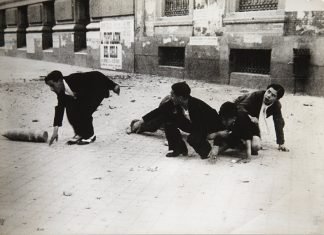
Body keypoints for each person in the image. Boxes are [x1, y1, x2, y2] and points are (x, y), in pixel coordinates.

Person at [133, 82, 223, 159]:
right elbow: (158, 111)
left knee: (193, 139)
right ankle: (178, 149)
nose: (171, 97)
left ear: (180, 98)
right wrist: (140, 121)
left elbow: (219, 126)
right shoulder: (175, 103)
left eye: (172, 95)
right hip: (190, 126)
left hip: (204, 127)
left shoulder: (198, 106)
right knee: (168, 120)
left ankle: (207, 153)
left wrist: (216, 145)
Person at [45, 70, 120, 145]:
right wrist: (55, 131)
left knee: (84, 109)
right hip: (83, 95)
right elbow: (60, 109)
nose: (51, 89)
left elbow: (97, 75)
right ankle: (80, 133)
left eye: (52, 85)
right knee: (70, 109)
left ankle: (90, 135)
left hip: (96, 90)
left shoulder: (74, 79)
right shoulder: (61, 92)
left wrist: (113, 86)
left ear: (60, 81)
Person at [234, 84, 289, 153]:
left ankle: (245, 141)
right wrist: (250, 117)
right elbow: (240, 107)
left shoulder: (276, 105)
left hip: (253, 122)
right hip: (239, 114)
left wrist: (281, 143)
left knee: (256, 147)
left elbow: (278, 122)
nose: (269, 96)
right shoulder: (256, 95)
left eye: (273, 95)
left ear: (276, 99)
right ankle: (238, 139)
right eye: (268, 92)